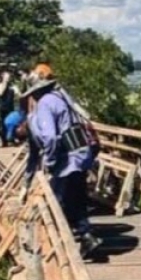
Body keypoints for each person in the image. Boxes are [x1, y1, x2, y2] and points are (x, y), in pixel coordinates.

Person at [19, 67, 101, 257]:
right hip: (80, 154)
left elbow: (50, 138)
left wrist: (50, 160)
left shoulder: (45, 104)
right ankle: (87, 237)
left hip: (67, 159)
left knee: (58, 202)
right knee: (77, 198)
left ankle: (62, 248)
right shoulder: (61, 97)